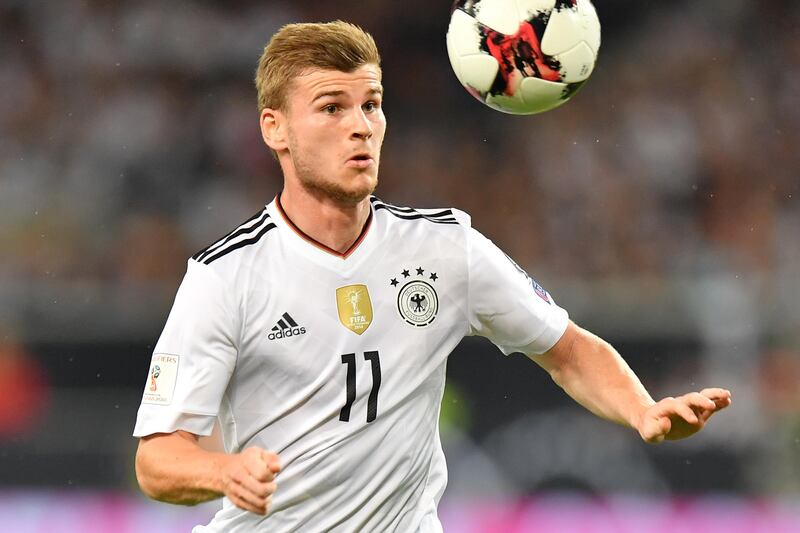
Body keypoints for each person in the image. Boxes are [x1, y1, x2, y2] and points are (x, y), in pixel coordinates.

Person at [132, 20, 731, 532]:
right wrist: (224, 471)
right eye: (332, 108)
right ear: (274, 130)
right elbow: (157, 461)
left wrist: (642, 409)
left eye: (371, 103)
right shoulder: (226, 277)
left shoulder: (445, 248)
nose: (361, 125)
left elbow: (568, 350)